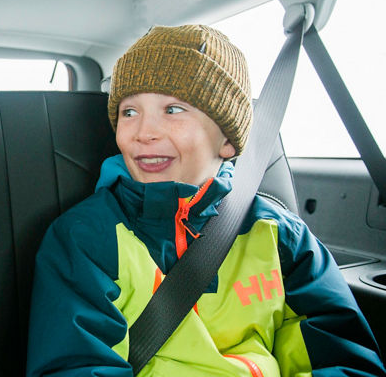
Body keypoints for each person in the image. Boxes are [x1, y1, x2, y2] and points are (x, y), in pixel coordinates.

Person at [26, 25, 385, 376]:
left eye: (173, 110)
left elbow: (343, 356)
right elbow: (77, 364)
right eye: (129, 112)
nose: (144, 132)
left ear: (226, 140)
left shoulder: (280, 236)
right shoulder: (87, 237)